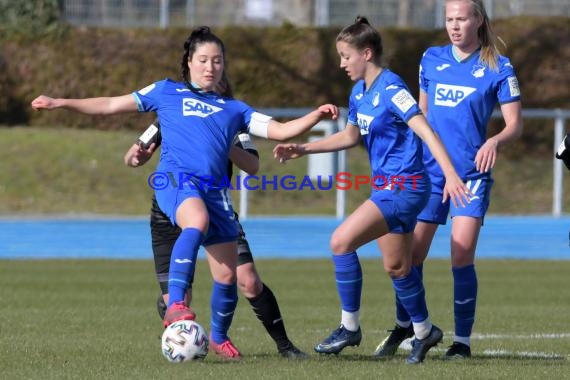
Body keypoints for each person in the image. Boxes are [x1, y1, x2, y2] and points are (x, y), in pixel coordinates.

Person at [31, 25, 338, 359]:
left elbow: (280, 130)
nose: (210, 67)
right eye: (203, 59)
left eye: (217, 61)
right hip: (176, 181)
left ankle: (219, 337)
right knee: (196, 220)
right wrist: (60, 102)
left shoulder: (235, 110)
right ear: (189, 62)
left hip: (216, 193)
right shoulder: (166, 92)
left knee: (227, 275)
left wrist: (315, 115)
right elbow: (109, 104)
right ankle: (176, 304)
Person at [273, 16, 470, 365]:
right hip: (388, 186)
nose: (341, 63)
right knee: (398, 266)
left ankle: (349, 327)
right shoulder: (359, 92)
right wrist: (302, 149)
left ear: (366, 53)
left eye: (346, 56)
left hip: (405, 186)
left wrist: (451, 175)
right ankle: (425, 332)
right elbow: (350, 137)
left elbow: (427, 132)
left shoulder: (392, 89)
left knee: (340, 241)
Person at [373, 0, 523, 360]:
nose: (455, 26)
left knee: (460, 256)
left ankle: (462, 343)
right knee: (409, 258)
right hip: (429, 174)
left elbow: (515, 124)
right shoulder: (431, 58)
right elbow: (419, 116)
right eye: (449, 19)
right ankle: (407, 325)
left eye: (462, 19)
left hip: (470, 177)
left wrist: (494, 140)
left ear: (478, 20)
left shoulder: (498, 67)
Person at [124, 119, 308, 359]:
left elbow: (252, 165)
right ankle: (183, 344)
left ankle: (284, 346)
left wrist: (218, 139)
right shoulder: (171, 113)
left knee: (248, 280)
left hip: (216, 207)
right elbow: (132, 156)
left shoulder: (232, 119)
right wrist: (136, 157)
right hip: (172, 208)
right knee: (177, 299)